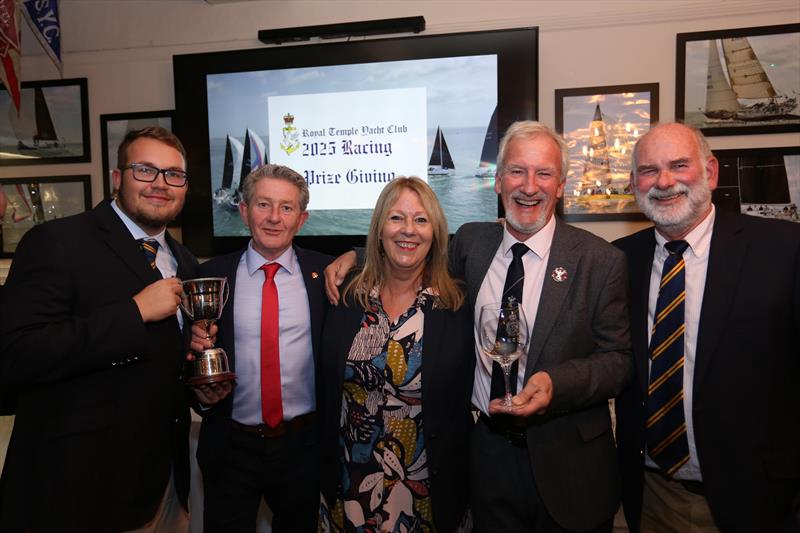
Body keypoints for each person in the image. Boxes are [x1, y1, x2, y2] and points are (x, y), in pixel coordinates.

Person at [326, 121, 633, 532]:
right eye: (517, 171)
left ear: (560, 185)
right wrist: (354, 257)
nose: (529, 186)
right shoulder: (473, 243)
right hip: (484, 459)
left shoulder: (600, 260)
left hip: (568, 465)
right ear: (498, 181)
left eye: (543, 173)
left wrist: (556, 384)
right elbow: (411, 251)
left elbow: (618, 361)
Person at [0, 127, 198, 531]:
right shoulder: (56, 241)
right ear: (117, 177)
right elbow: (15, 354)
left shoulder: (184, 261)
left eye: (173, 175)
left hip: (162, 485)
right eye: (145, 170)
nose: (160, 184)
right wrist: (134, 312)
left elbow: (163, 365)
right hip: (76, 490)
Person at [613, 122, 800, 532]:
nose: (664, 182)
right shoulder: (617, 261)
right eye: (648, 170)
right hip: (653, 495)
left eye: (679, 165)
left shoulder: (785, 251)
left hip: (762, 499)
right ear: (633, 183)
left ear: (711, 172)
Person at [319, 176, 474, 532]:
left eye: (421, 220)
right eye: (396, 218)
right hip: (350, 482)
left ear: (435, 232)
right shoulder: (345, 297)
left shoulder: (456, 304)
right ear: (378, 229)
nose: (409, 230)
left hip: (426, 491)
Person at [189, 164, 331, 533]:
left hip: (305, 447)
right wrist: (204, 396)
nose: (273, 218)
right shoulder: (208, 278)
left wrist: (353, 254)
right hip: (231, 446)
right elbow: (187, 354)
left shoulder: (328, 275)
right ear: (243, 210)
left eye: (286, 208)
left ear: (301, 219)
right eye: (263, 204)